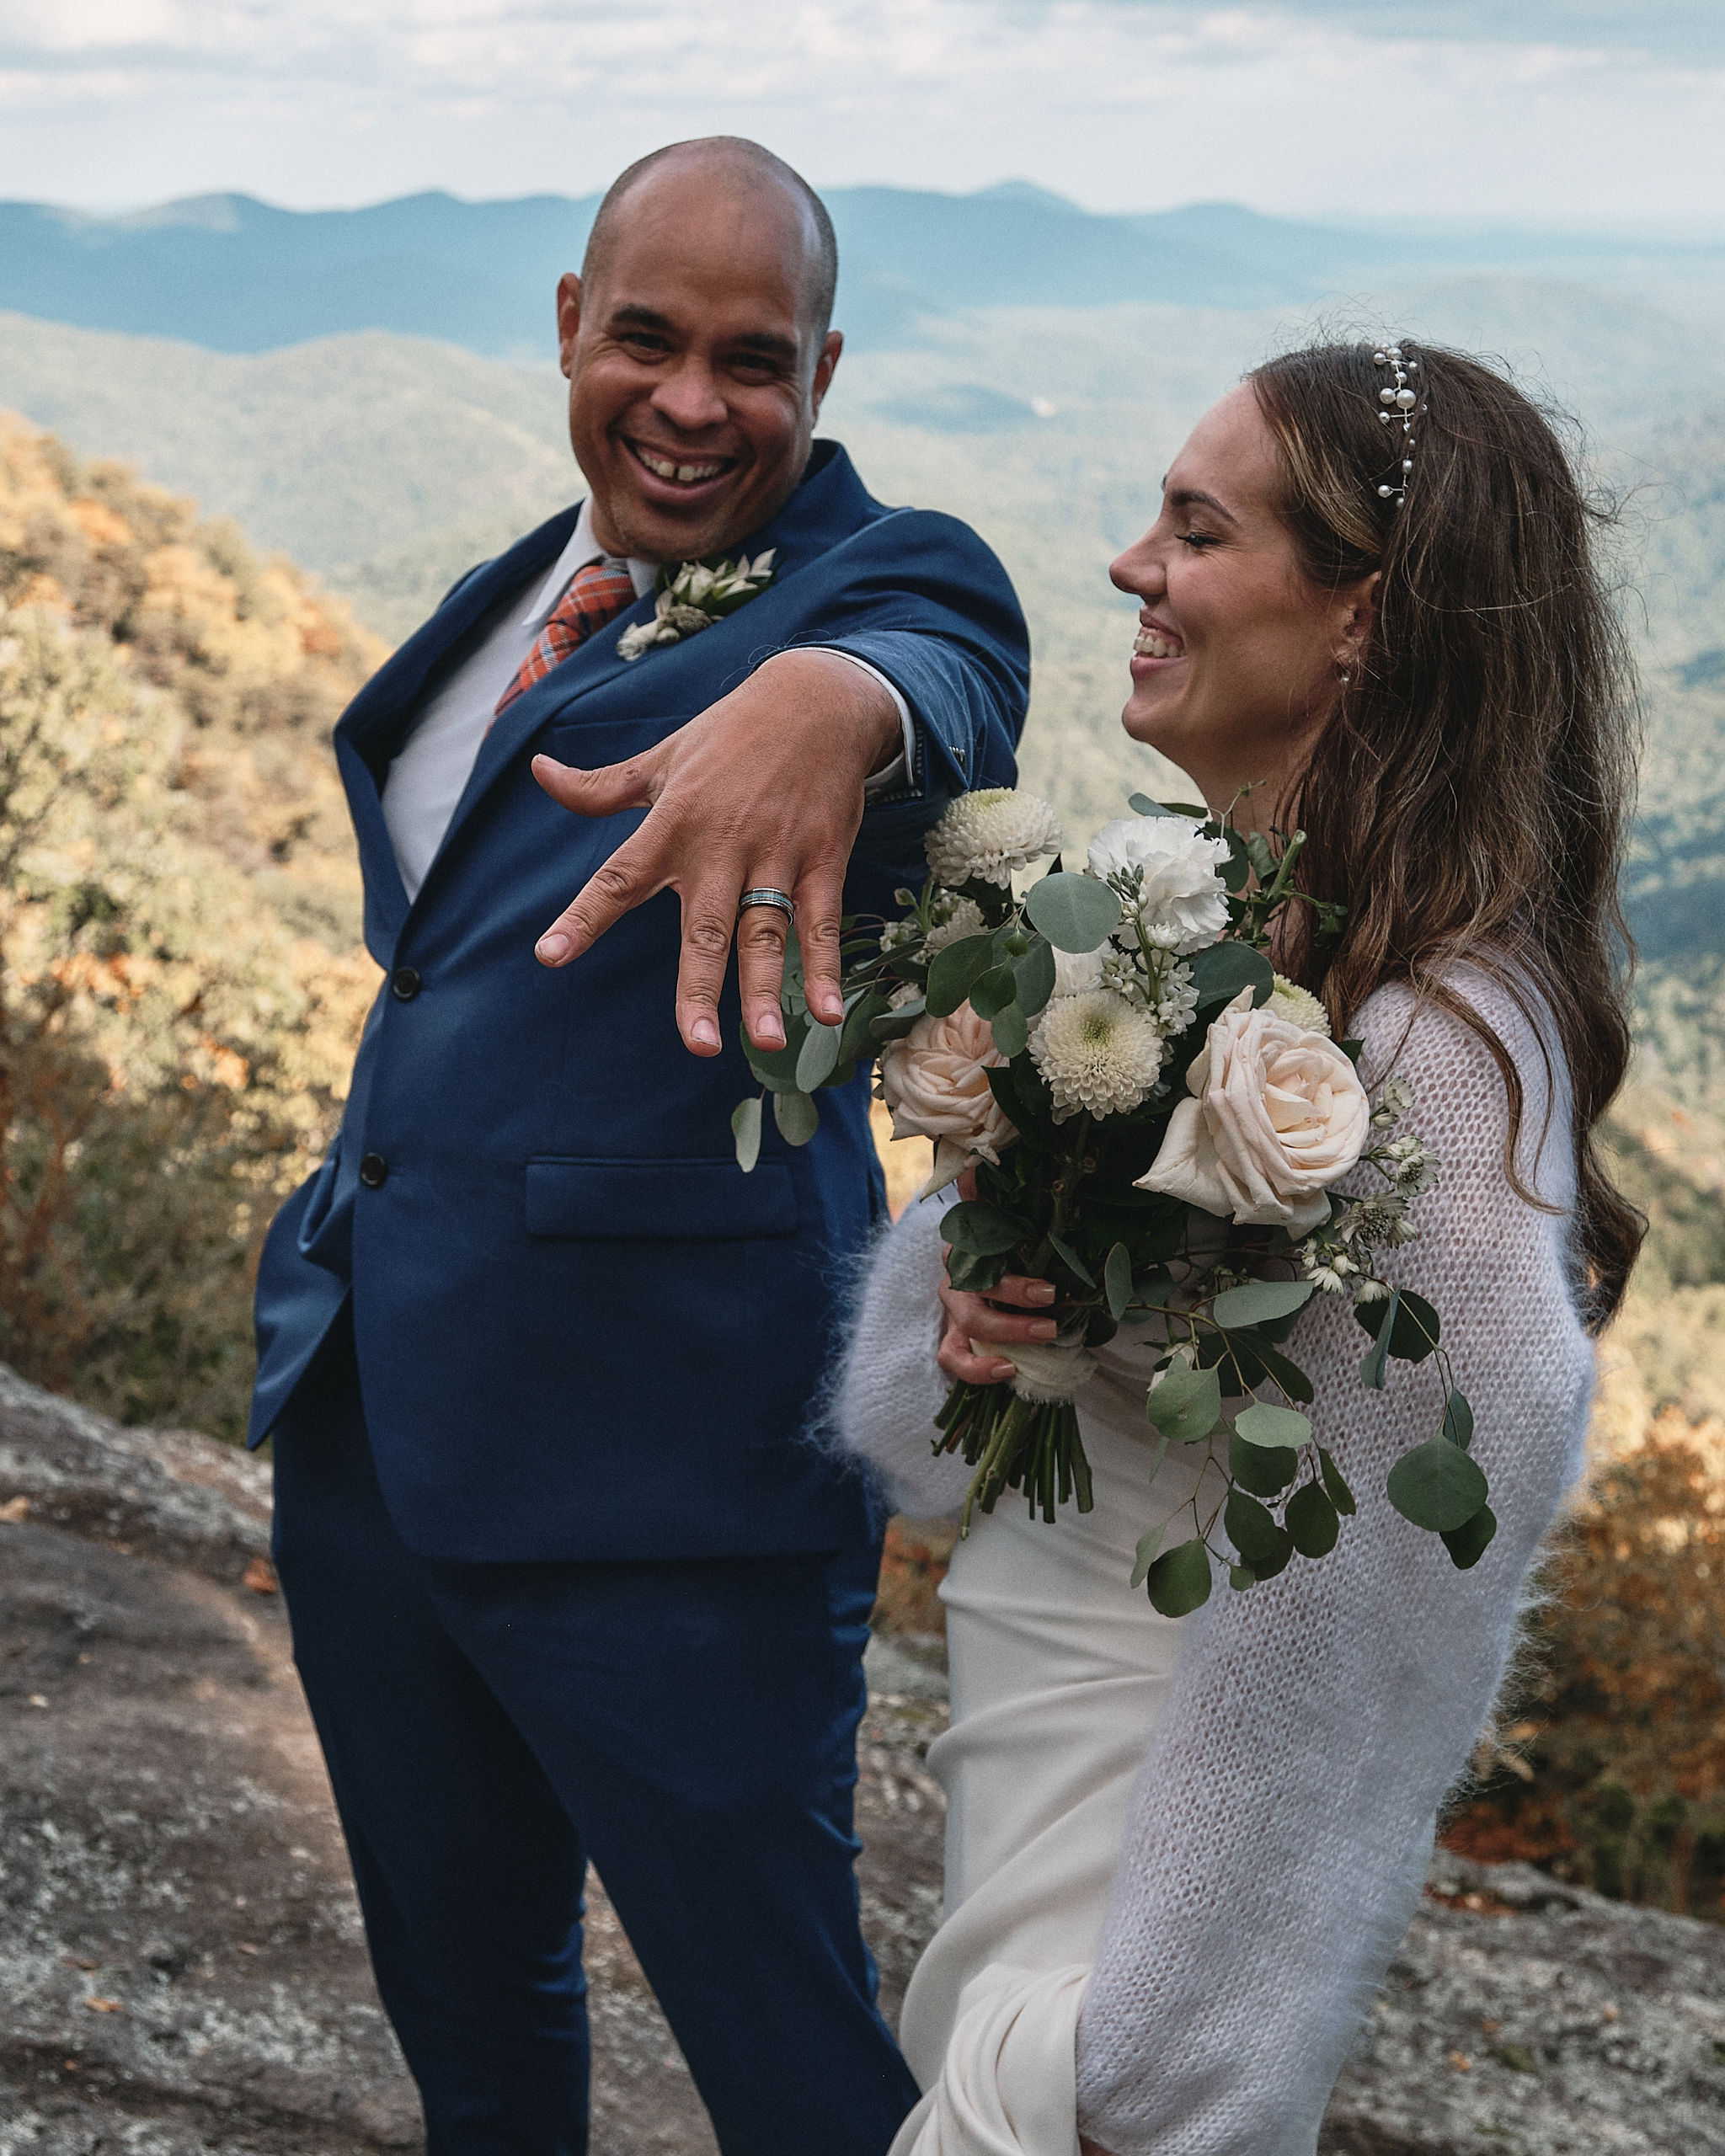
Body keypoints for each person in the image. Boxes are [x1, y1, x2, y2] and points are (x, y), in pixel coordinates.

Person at [250, 137, 1028, 2156]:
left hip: (670, 1487)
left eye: (752, 361)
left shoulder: (886, 580)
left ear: (823, 372)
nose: (693, 401)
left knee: (789, 2057)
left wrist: (830, 694)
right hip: (373, 1416)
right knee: (470, 2016)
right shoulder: (513, 585)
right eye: (651, 339)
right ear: (572, 328)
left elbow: (948, 661)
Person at [837, 339, 1642, 2155]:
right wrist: (983, 1311)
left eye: (1195, 530)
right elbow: (906, 1421)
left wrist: (1173, 2043)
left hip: (1133, 1893)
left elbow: (1398, 1555)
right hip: (1037, 1754)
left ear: (1358, 618)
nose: (1132, 565)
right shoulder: (1164, 916)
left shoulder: (1440, 1031)